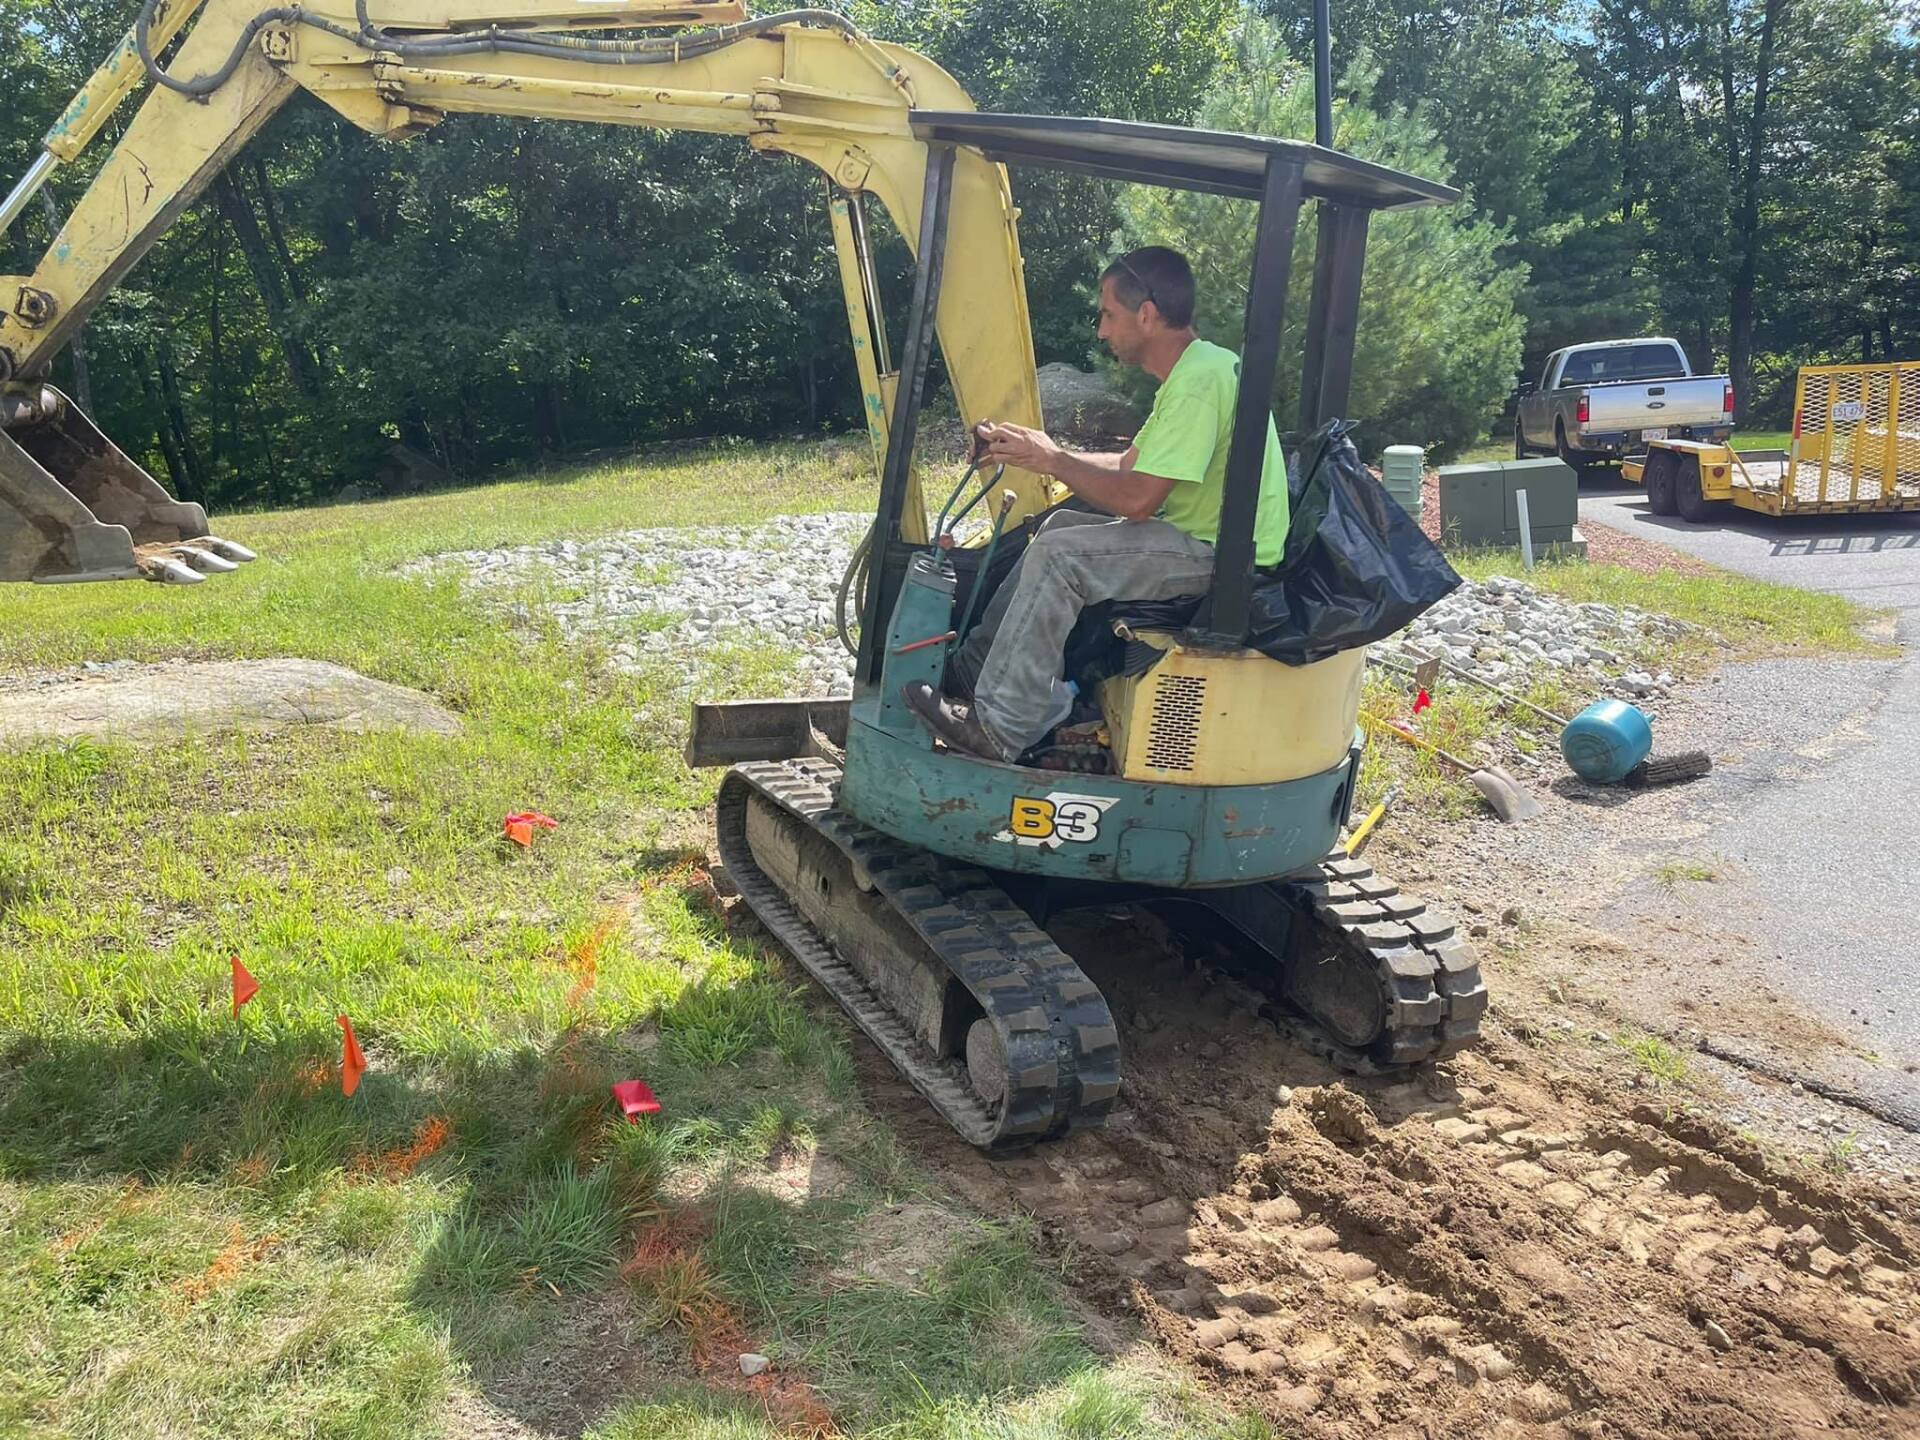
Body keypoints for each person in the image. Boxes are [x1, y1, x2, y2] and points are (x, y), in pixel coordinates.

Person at [903, 245, 1292, 761]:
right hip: (1208, 539)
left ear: (1146, 315)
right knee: (1059, 528)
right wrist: (1039, 450)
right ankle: (974, 670)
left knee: (1062, 559)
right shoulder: (1199, 370)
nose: (1102, 331)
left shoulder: (1199, 381)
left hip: (1221, 557)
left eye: (1109, 314)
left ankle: (999, 728)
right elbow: (1132, 468)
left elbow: (1136, 501)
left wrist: (1055, 461)